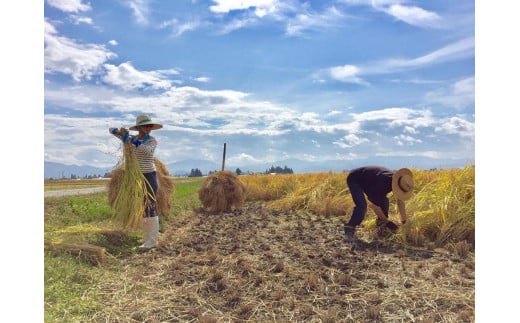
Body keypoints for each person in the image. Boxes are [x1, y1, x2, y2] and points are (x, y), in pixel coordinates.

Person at [109, 114, 163, 250]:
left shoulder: (152, 141)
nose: (148, 128)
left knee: (150, 205)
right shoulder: (130, 139)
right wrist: (119, 132)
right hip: (135, 177)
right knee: (143, 207)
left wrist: (132, 140)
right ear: (139, 127)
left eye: (150, 126)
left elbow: (147, 152)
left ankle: (152, 241)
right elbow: (111, 130)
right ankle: (147, 239)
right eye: (145, 126)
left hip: (149, 176)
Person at [343, 166, 414, 242]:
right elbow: (374, 205)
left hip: (369, 182)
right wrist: (387, 222)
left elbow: (400, 202)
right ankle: (349, 228)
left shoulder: (397, 181)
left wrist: (404, 221)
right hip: (355, 179)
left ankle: (381, 226)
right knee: (362, 206)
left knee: (384, 201)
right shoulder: (382, 184)